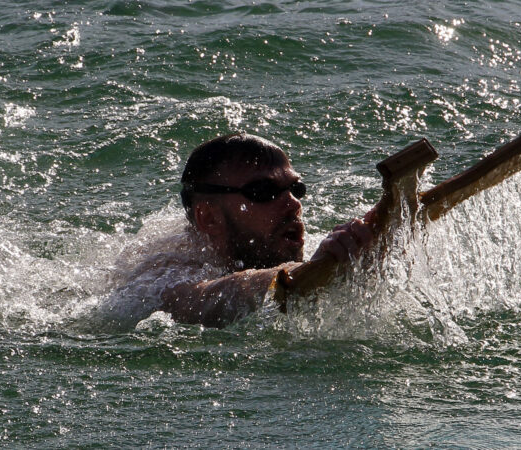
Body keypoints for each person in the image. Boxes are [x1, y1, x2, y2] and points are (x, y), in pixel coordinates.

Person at [106, 133, 374, 329]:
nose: (293, 203)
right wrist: (307, 271)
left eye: (296, 189)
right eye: (263, 192)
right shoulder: (167, 275)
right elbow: (211, 296)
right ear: (208, 217)